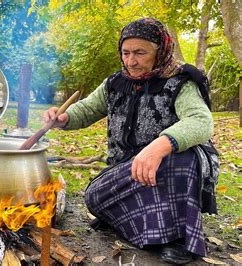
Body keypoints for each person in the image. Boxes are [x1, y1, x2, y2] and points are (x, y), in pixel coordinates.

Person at [44, 18, 219, 264]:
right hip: (129, 168)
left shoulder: (180, 82)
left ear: (160, 51)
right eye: (126, 53)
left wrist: (160, 145)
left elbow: (201, 122)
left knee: (183, 157)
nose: (131, 61)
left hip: (165, 169)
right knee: (94, 197)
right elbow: (86, 109)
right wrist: (63, 117)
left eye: (140, 53)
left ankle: (178, 238)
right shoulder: (116, 83)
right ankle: (135, 221)